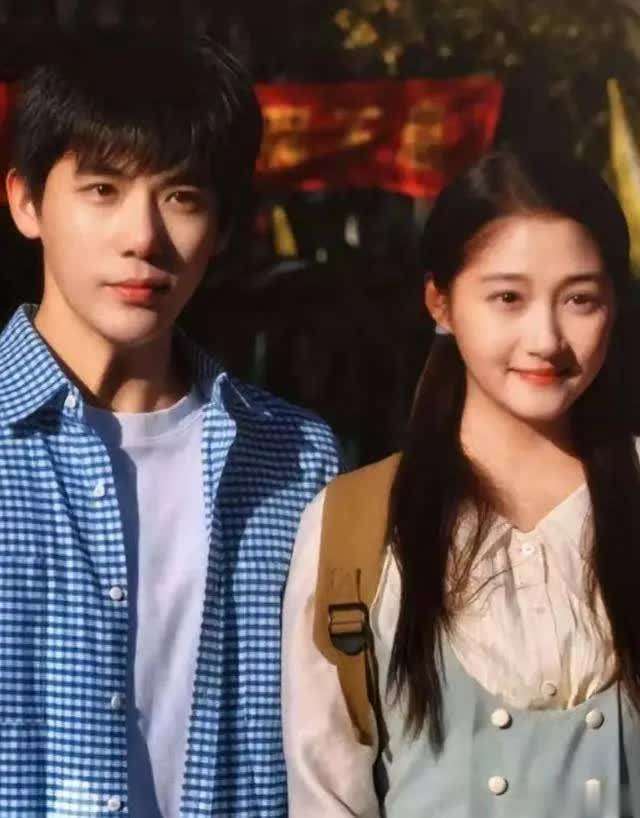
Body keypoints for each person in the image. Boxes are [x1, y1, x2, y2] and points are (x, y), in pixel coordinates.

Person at [1, 31, 340, 818]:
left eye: (182, 196)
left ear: (221, 228)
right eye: (102, 189)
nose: (143, 238)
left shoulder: (294, 459)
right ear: (26, 202)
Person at [282, 150, 640, 817]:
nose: (546, 339)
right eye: (508, 298)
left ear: (614, 306)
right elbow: (326, 792)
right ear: (440, 302)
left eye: (580, 299)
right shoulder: (355, 525)